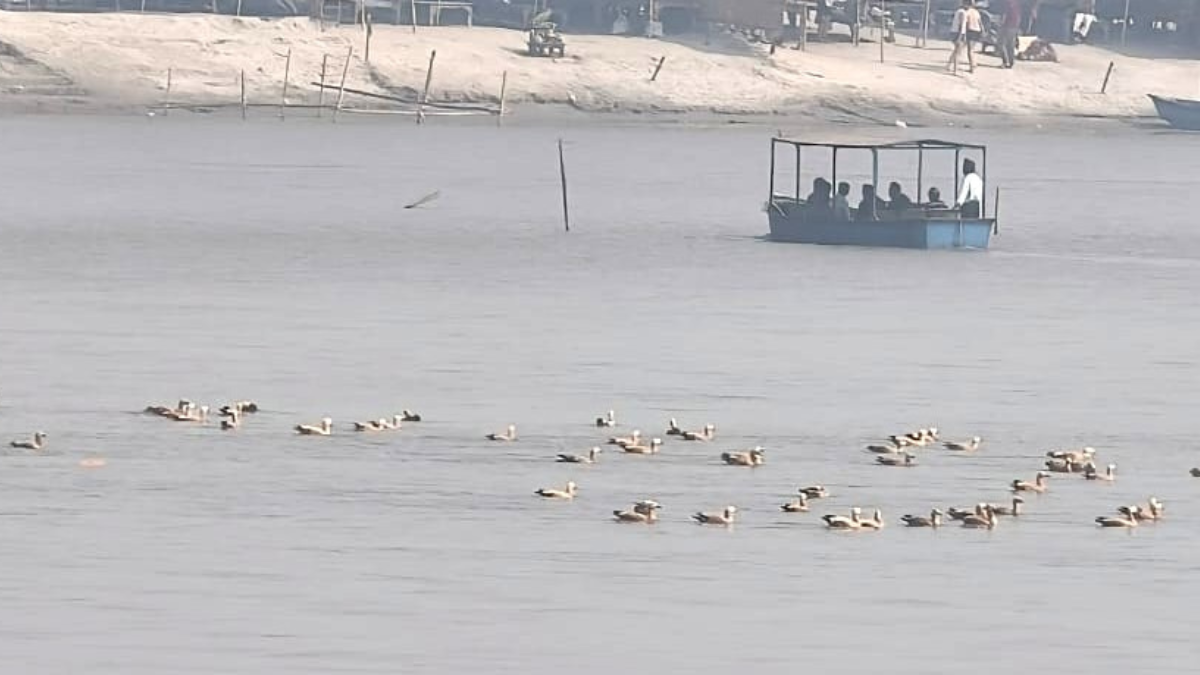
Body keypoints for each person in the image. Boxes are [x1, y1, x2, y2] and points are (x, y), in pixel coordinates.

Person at [947, 0, 982, 74]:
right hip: (974, 31)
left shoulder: (965, 11)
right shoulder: (973, 12)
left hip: (968, 31)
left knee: (959, 50)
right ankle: (971, 65)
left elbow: (965, 23)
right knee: (965, 50)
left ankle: (952, 66)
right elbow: (979, 22)